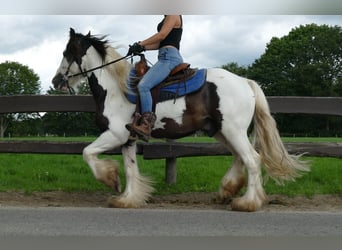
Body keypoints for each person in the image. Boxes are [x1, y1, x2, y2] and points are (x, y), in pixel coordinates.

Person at [126, 15, 184, 140]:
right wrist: (142, 48)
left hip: (169, 58)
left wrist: (140, 43)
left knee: (144, 86)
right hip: (164, 56)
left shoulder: (173, 13)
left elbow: (162, 35)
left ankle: (146, 125)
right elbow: (160, 43)